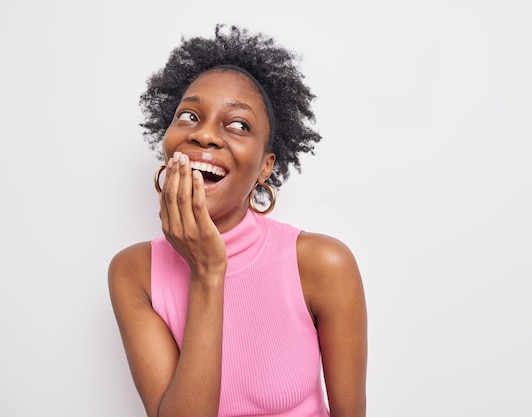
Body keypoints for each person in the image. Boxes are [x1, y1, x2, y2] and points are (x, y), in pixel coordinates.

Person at [108, 24, 367, 417]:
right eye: (189, 116)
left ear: (265, 167)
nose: (205, 136)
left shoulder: (323, 265)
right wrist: (208, 272)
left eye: (238, 125)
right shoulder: (134, 273)